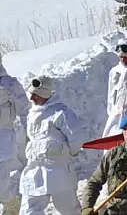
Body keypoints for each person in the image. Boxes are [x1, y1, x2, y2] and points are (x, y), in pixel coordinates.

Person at [19, 76, 80, 215]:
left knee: (69, 209)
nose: (32, 98)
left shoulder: (62, 113)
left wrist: (62, 153)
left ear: (45, 93)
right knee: (29, 209)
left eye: (35, 94)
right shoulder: (32, 114)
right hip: (35, 169)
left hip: (57, 170)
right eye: (31, 94)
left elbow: (76, 139)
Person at [0, 56, 29, 215]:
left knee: (0, 178)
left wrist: (30, 133)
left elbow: (25, 110)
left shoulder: (9, 84)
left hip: (3, 137)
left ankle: (11, 204)